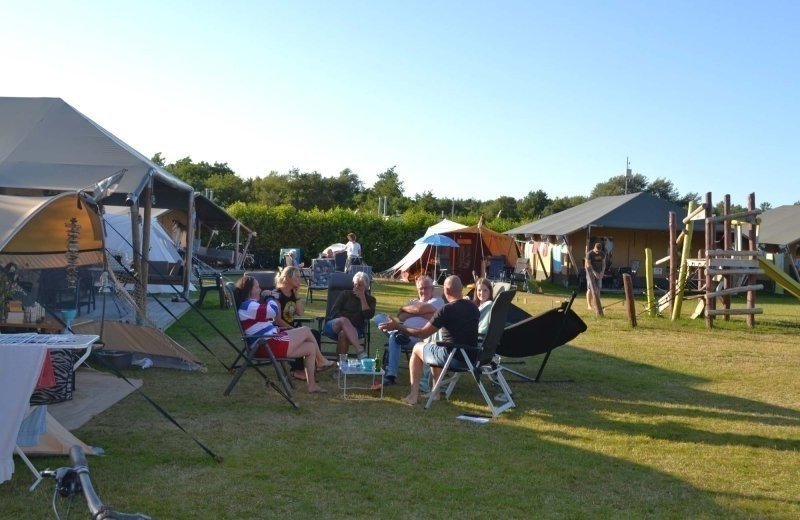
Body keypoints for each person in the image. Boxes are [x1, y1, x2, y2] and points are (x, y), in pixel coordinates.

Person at [379, 275, 479, 406]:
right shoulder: (473, 307)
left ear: (446, 290)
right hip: (471, 357)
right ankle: (435, 393)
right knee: (432, 344)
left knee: (417, 348)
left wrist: (398, 326)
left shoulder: (446, 310)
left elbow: (422, 333)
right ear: (461, 289)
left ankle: (413, 396)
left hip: (453, 358)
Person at [233, 275, 332, 393]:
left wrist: (275, 329)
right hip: (266, 345)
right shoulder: (249, 305)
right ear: (249, 290)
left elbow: (260, 325)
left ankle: (312, 385)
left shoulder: (250, 305)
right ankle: (321, 361)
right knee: (306, 330)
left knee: (310, 347)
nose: (260, 290)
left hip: (267, 342)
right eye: (257, 287)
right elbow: (273, 311)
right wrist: (269, 297)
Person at [376, 275, 444, 386]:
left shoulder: (437, 300)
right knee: (379, 318)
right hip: (405, 332)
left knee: (394, 337)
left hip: (420, 337)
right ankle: (397, 332)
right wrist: (419, 312)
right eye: (420, 288)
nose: (423, 291)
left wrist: (404, 308)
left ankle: (391, 376)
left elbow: (420, 308)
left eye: (426, 288)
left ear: (432, 289)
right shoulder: (413, 301)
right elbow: (401, 316)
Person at [273, 266, 325, 382]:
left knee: (315, 334)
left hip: (291, 328)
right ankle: (297, 370)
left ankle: (312, 367)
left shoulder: (293, 293)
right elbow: (277, 320)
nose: (299, 279)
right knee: (304, 336)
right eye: (296, 276)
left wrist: (297, 295)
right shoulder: (277, 295)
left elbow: (300, 312)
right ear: (287, 278)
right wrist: (292, 329)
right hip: (280, 330)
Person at [322, 271, 376, 358]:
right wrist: (347, 322)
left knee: (343, 334)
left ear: (366, 287)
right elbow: (334, 311)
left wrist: (362, 298)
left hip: (355, 330)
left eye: (360, 285)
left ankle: (340, 364)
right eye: (355, 284)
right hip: (334, 326)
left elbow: (368, 315)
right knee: (344, 320)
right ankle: (359, 350)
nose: (356, 287)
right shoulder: (345, 294)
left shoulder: (371, 300)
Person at [585, 242, 606, 310]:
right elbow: (588, 265)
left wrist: (602, 272)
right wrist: (594, 273)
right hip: (590, 274)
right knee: (590, 289)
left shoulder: (602, 254)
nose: (598, 252)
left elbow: (603, 264)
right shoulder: (589, 254)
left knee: (598, 288)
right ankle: (589, 305)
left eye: (599, 251)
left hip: (599, 273)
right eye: (597, 251)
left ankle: (597, 305)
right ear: (594, 247)